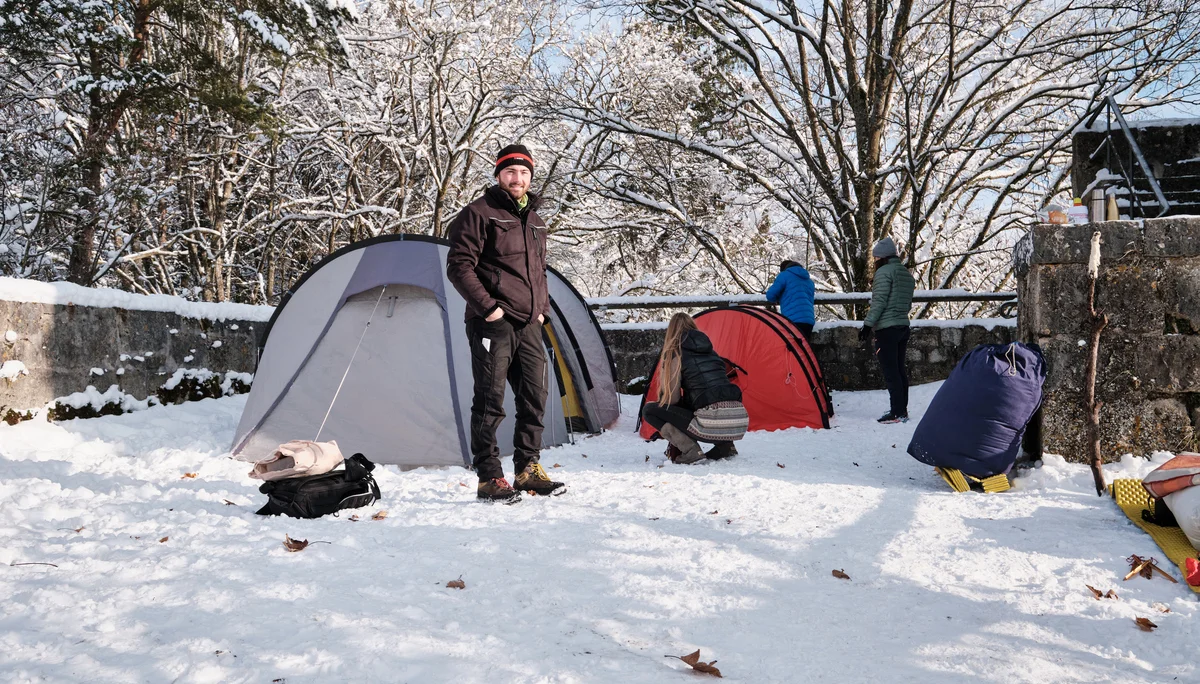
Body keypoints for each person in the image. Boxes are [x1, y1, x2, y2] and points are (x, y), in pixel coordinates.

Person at [446, 144, 565, 501]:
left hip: (529, 323)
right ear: (499, 174)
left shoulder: (537, 221)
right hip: (492, 324)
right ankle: (489, 477)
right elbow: (459, 266)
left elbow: (538, 272)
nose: (518, 179)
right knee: (490, 400)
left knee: (534, 397)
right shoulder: (479, 213)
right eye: (511, 172)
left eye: (525, 173)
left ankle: (528, 469)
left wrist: (542, 310)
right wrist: (488, 309)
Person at [642, 313, 749, 463]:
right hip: (738, 421)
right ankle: (726, 446)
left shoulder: (676, 355)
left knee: (650, 410)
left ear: (671, 332)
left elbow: (672, 399)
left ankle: (691, 451)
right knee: (706, 400)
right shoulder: (713, 353)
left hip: (710, 421)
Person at [858, 236, 916, 423]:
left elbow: (879, 302)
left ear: (882, 257)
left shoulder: (884, 273)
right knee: (899, 370)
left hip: (887, 328)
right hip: (902, 326)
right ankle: (902, 410)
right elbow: (907, 304)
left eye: (875, 258)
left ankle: (896, 412)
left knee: (891, 372)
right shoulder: (906, 274)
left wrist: (867, 325)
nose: (875, 262)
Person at [765, 259, 816, 340]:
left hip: (793, 320)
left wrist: (779, 297)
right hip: (809, 320)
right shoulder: (809, 281)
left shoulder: (784, 275)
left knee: (794, 350)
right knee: (804, 349)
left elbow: (770, 296)